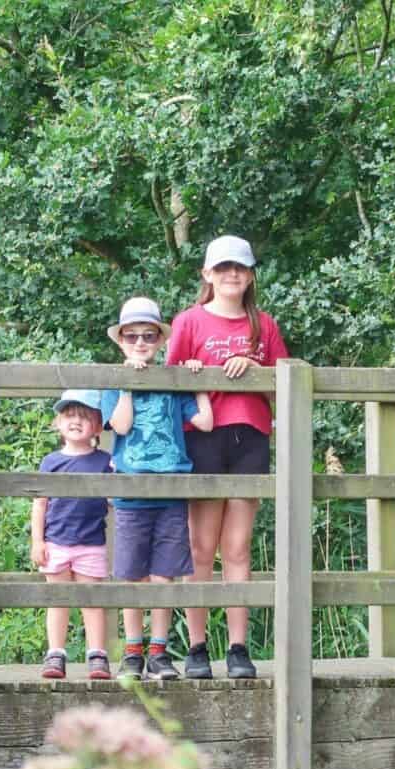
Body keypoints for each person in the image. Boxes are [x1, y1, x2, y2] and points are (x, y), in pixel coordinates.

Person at [166, 235, 289, 679]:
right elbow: (167, 381)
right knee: (201, 548)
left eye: (239, 267)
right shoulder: (189, 321)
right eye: (222, 268)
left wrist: (257, 371)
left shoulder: (264, 325)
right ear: (207, 275)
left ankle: (238, 648)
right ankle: (197, 648)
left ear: (251, 274)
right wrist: (192, 374)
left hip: (250, 435)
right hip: (202, 437)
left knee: (237, 547)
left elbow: (285, 382)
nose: (231, 274)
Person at [100, 297, 213, 680]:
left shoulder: (173, 380)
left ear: (160, 340)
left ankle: (159, 653)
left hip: (170, 492)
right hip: (131, 494)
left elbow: (206, 423)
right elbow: (122, 427)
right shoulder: (115, 384)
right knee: (132, 575)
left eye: (149, 335)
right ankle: (132, 652)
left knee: (165, 574)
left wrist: (198, 381)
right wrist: (130, 384)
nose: (141, 342)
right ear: (121, 341)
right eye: (132, 336)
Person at [30, 389, 114, 680]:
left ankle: (98, 655)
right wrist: (37, 541)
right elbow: (40, 503)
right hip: (56, 542)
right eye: (69, 415)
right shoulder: (50, 461)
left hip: (91, 543)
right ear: (57, 423)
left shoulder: (105, 462)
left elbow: (115, 499)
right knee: (58, 600)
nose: (75, 421)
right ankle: (55, 653)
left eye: (84, 416)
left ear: (97, 425)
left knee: (92, 601)